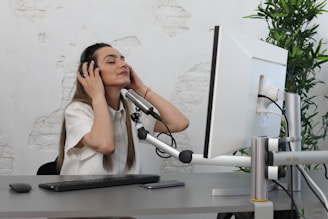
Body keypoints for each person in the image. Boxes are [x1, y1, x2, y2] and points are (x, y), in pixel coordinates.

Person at [57, 42, 189, 175]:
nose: (123, 64)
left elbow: (179, 123)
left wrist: (140, 88)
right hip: (83, 194)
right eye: (111, 61)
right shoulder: (77, 111)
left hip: (124, 192)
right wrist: (97, 95)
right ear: (89, 72)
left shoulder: (130, 109)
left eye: (122, 59)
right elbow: (106, 146)